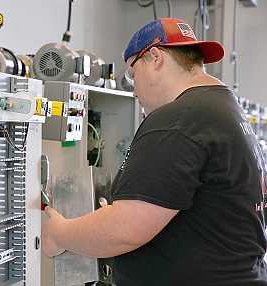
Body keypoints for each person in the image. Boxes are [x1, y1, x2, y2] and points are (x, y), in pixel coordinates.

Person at [42, 17, 267, 285]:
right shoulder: (223, 108)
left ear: (154, 57)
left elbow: (124, 229)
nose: (134, 89)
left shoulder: (179, 119)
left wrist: (59, 234)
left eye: (132, 74)